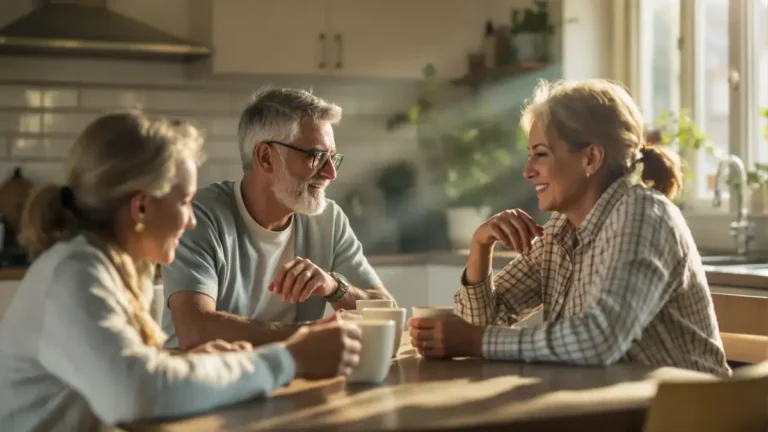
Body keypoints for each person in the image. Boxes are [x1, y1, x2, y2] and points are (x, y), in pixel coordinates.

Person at [0, 112, 362, 431]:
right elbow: (137, 394)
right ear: (141, 207)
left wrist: (192, 365)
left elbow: (131, 370)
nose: (191, 220)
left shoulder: (110, 268)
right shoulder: (75, 275)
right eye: (185, 202)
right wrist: (290, 359)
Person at [409, 79, 731, 375]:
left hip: (685, 415)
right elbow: (477, 324)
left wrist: (478, 341)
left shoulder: (643, 215)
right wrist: (481, 248)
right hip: (610, 409)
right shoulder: (562, 230)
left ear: (590, 158)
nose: (528, 171)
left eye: (541, 154)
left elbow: (599, 339)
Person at [161, 88, 394, 351]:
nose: (330, 173)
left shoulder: (329, 219)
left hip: (292, 375)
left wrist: (334, 286)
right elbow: (196, 330)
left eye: (332, 158)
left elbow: (387, 313)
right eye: (316, 156)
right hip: (200, 379)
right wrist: (309, 335)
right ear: (265, 158)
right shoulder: (199, 216)